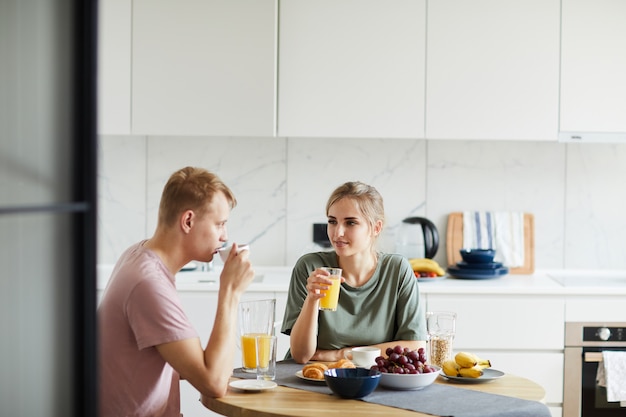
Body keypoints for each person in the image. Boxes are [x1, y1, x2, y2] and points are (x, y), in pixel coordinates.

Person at [98, 167, 255, 417]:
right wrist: (231, 291)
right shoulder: (148, 283)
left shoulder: (137, 255)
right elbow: (214, 384)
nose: (225, 237)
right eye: (220, 224)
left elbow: (149, 359)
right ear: (188, 221)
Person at [281, 181, 427, 364]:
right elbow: (302, 356)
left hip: (373, 380)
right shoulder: (310, 267)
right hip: (313, 377)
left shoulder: (397, 270)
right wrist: (312, 299)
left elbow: (414, 346)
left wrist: (339, 355)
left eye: (350, 223)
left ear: (376, 228)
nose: (338, 233)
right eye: (332, 221)